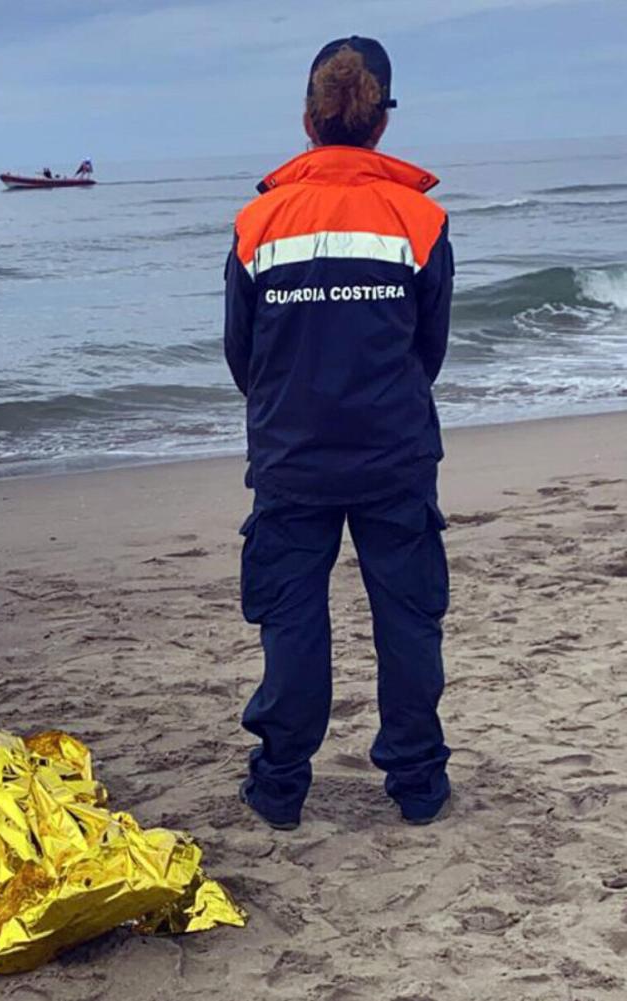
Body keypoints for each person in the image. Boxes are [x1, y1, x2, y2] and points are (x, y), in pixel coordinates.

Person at [223, 36, 454, 831]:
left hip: (293, 457)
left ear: (308, 119)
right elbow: (430, 348)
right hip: (394, 453)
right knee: (408, 616)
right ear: (380, 122)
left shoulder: (259, 220)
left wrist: (293, 407)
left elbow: (240, 353)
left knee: (291, 619)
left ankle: (280, 785)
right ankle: (419, 784)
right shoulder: (418, 217)